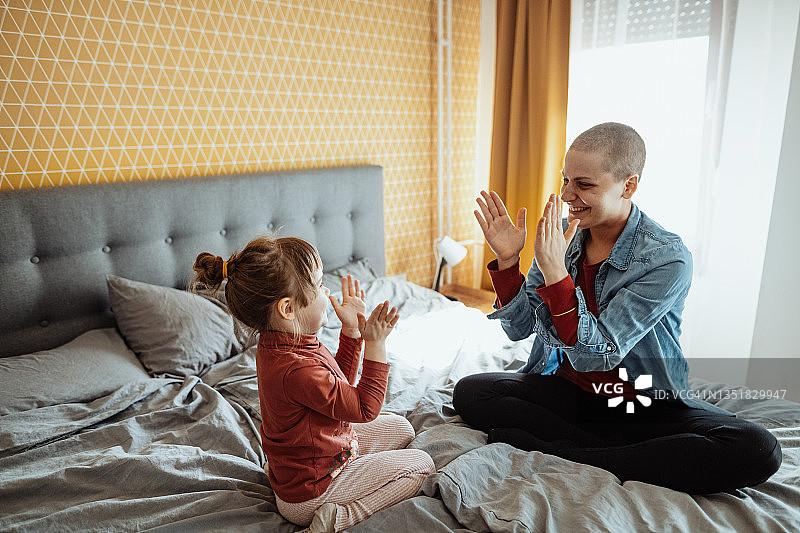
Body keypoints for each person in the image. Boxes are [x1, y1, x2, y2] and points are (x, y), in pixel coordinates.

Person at [452, 122, 781, 494]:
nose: (566, 194)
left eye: (584, 184)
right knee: (471, 391)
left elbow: (599, 356)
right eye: (565, 180)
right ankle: (607, 451)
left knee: (759, 448)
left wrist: (556, 273)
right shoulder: (562, 236)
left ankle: (575, 452)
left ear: (629, 185)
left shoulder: (666, 258)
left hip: (642, 402)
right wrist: (508, 261)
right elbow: (519, 327)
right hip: (571, 393)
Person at [192, 236, 435, 532]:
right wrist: (375, 344)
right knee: (421, 466)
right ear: (288, 309)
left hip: (312, 456)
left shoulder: (283, 343)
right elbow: (364, 407)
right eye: (320, 284)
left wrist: (351, 331)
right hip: (312, 490)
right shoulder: (294, 368)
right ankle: (335, 519)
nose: (327, 290)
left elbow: (336, 390)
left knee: (403, 429)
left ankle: (338, 468)